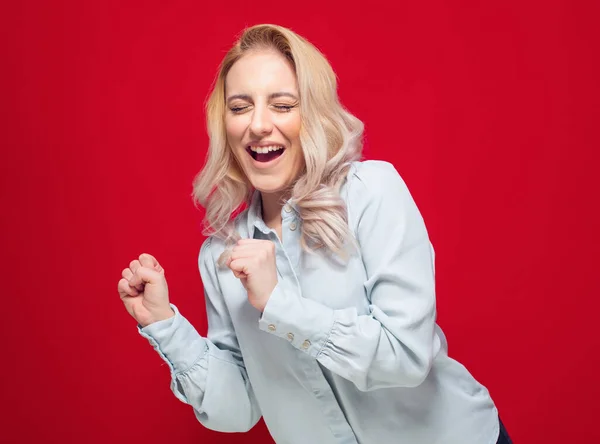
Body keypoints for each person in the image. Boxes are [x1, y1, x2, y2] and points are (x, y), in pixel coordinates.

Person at [117, 24, 512, 444]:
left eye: (283, 105)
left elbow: (407, 356)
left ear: (313, 113)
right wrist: (163, 324)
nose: (258, 125)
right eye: (239, 107)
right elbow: (238, 411)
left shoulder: (370, 192)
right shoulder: (221, 252)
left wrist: (278, 304)